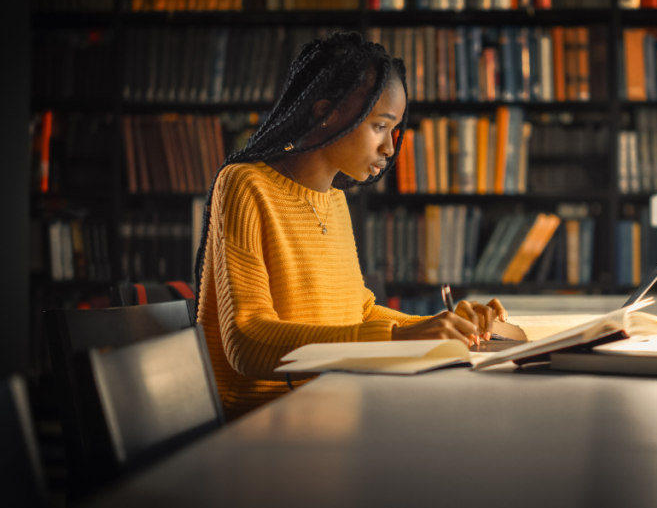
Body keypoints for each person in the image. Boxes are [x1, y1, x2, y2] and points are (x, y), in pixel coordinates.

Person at [195, 32, 507, 420]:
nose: (390, 148)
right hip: (266, 421)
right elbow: (246, 341)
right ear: (325, 113)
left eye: (394, 132)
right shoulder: (245, 185)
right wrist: (396, 338)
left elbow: (358, 315)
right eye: (380, 126)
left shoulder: (336, 201)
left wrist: (442, 326)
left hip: (335, 408)